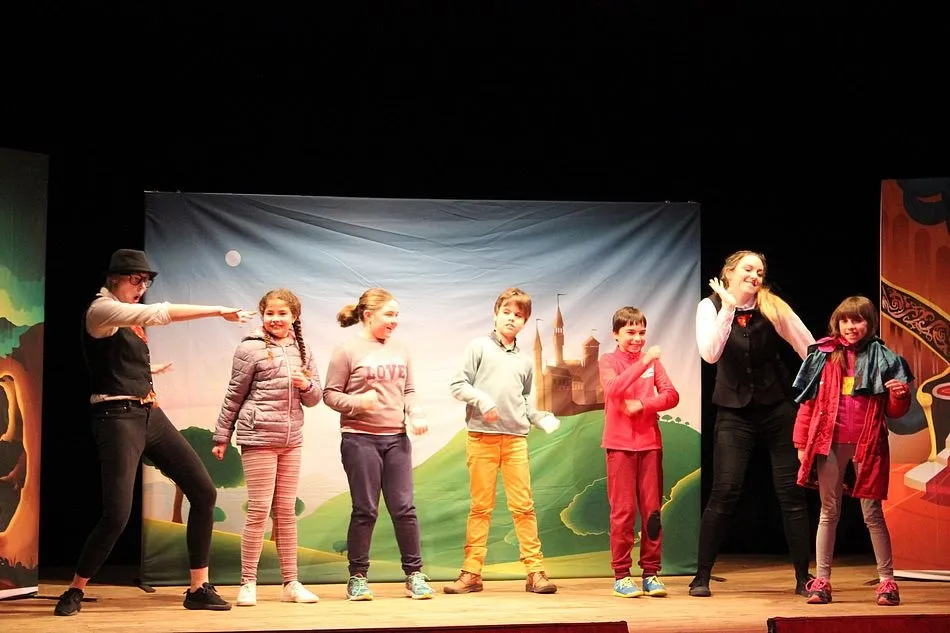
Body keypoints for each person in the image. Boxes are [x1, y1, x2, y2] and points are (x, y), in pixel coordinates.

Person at [55, 248, 256, 616]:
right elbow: (158, 313)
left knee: (204, 491)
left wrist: (151, 370)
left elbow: (118, 358)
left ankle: (198, 588)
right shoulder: (101, 309)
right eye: (136, 280)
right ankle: (75, 588)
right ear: (113, 278)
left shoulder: (125, 315)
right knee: (117, 514)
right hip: (117, 417)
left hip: (149, 412)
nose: (141, 287)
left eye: (146, 282)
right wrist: (218, 310)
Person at [690, 250, 815, 598]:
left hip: (777, 409)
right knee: (725, 490)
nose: (755, 276)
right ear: (729, 272)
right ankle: (701, 576)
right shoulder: (709, 307)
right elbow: (710, 354)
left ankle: (803, 577)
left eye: (760, 271)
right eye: (748, 269)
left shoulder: (772, 306)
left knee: (791, 493)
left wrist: (815, 392)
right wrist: (728, 308)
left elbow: (810, 348)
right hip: (734, 412)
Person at [792, 295, 913, 607]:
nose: (850, 326)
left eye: (857, 320)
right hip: (829, 443)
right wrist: (801, 443)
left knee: (872, 514)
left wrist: (899, 396)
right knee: (828, 511)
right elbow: (808, 403)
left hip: (867, 444)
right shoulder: (823, 356)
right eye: (845, 320)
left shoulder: (885, 358)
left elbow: (895, 411)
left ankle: (887, 581)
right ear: (837, 323)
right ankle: (822, 580)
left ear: (869, 323)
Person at [444, 287, 561, 596]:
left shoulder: (525, 361)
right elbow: (457, 385)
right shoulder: (479, 346)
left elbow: (524, 401)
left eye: (518, 315)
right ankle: (471, 573)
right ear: (496, 314)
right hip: (481, 437)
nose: (511, 318)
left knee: (523, 507)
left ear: (524, 322)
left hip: (515, 441)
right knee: (480, 507)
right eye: (506, 312)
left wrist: (538, 417)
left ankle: (535, 572)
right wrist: (482, 400)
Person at [212, 288, 323, 607]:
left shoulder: (303, 349)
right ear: (262, 315)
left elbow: (314, 398)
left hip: (291, 440)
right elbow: (234, 393)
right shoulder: (250, 348)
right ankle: (248, 583)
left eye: (282, 313)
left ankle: (291, 583)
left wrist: (307, 385)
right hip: (258, 436)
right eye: (269, 313)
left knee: (285, 510)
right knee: (259, 509)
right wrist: (222, 436)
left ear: (294, 316)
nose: (275, 318)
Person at [322, 287, 435, 601]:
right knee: (365, 510)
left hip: (396, 439)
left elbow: (409, 391)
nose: (395, 320)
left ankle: (414, 575)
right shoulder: (346, 351)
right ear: (369, 315)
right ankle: (357, 577)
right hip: (359, 440)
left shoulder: (401, 349)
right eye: (389, 314)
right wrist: (359, 402)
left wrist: (415, 412)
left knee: (405, 509)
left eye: (397, 315)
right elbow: (329, 394)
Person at [599, 307, 680, 598]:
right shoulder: (608, 360)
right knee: (623, 513)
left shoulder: (654, 364)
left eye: (642, 332)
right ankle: (622, 576)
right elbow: (613, 389)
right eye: (630, 332)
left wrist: (645, 405)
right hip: (619, 446)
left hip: (650, 445)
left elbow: (671, 395)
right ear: (616, 334)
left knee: (652, 512)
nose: (637, 338)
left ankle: (650, 573)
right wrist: (644, 361)